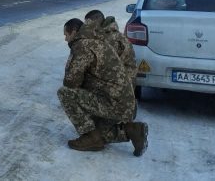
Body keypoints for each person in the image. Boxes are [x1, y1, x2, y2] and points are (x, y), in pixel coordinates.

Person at [57, 18, 148, 156]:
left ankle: (90, 137)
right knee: (102, 134)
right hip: (124, 103)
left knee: (65, 93)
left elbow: (70, 83)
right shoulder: (98, 39)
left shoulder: (82, 45)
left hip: (112, 102)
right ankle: (132, 131)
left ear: (74, 32)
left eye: (66, 35)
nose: (65, 39)